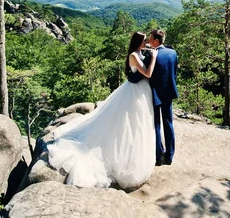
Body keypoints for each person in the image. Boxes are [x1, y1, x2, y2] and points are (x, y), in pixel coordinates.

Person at [47, 31, 158, 189]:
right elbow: (147, 72)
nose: (146, 41)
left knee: (139, 124)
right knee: (128, 123)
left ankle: (134, 156)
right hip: (134, 93)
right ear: (138, 42)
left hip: (141, 92)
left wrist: (149, 52)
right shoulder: (133, 55)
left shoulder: (141, 51)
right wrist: (153, 57)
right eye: (144, 40)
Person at [148, 29, 178, 166]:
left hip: (154, 94)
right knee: (168, 123)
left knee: (156, 125)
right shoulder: (173, 53)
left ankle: (158, 156)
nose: (148, 41)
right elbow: (174, 73)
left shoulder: (151, 55)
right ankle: (170, 156)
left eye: (150, 38)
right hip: (168, 92)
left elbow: (143, 75)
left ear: (156, 41)